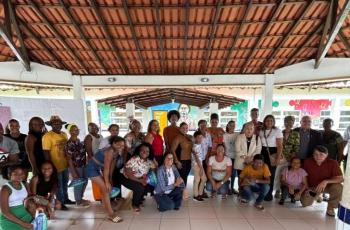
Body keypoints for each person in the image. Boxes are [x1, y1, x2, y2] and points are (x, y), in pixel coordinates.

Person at [85, 136, 125, 223]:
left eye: (122, 146)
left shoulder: (117, 152)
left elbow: (112, 166)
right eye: (119, 145)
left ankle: (106, 208)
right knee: (106, 189)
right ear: (113, 143)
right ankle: (111, 214)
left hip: (98, 169)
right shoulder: (110, 151)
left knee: (105, 189)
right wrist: (107, 182)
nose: (121, 147)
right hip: (91, 169)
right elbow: (106, 168)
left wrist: (110, 178)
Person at [301, 145, 343, 217]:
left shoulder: (333, 163)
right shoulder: (307, 162)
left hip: (328, 186)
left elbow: (341, 179)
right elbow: (303, 177)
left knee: (339, 187)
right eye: (316, 154)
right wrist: (307, 188)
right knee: (305, 203)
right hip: (313, 187)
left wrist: (326, 181)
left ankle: (330, 208)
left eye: (321, 154)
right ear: (313, 155)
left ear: (326, 155)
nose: (318, 157)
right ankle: (318, 195)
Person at [42, 116, 73, 210]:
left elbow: (67, 148)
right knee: (58, 185)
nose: (57, 125)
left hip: (64, 164)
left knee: (65, 183)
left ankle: (66, 199)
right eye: (55, 123)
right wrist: (50, 166)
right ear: (51, 125)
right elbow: (46, 152)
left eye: (59, 123)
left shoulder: (64, 134)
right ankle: (60, 203)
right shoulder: (47, 136)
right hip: (55, 165)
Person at [120, 142, 156, 212]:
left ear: (150, 152)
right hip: (125, 177)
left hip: (138, 178)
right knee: (139, 187)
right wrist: (141, 181)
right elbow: (128, 174)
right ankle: (135, 204)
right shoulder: (134, 159)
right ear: (139, 151)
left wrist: (146, 179)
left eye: (147, 151)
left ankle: (139, 200)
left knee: (147, 186)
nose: (144, 152)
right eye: (143, 150)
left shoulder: (149, 162)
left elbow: (152, 172)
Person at [0, 165, 33, 229]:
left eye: (21, 173)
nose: (20, 176)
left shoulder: (25, 184)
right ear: (9, 175)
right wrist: (23, 223)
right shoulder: (5, 189)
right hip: (10, 220)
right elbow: (4, 211)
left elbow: (30, 197)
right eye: (16, 174)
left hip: (25, 215)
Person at [274, 115, 300, 198]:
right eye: (286, 122)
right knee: (278, 174)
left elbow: (297, 146)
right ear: (284, 123)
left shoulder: (296, 134)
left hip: (290, 159)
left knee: (287, 176)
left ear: (293, 124)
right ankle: (277, 190)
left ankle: (285, 192)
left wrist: (292, 156)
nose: (288, 124)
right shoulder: (280, 132)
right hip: (281, 157)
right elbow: (277, 145)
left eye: (290, 122)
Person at [259, 115, 283, 201]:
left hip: (273, 153)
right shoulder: (261, 131)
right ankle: (262, 192)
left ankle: (268, 195)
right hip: (262, 152)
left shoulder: (277, 131)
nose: (269, 122)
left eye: (271, 121)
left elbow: (280, 146)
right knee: (262, 173)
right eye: (267, 120)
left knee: (271, 174)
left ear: (273, 122)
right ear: (264, 121)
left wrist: (278, 158)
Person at [65, 124, 90, 207]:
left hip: (83, 165)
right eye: (74, 130)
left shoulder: (79, 141)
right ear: (70, 132)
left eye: (77, 129)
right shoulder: (69, 143)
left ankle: (81, 198)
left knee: (85, 181)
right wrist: (73, 172)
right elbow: (69, 159)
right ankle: (78, 201)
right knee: (78, 183)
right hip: (75, 167)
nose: (76, 131)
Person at [223, 120, 239, 195]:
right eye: (231, 125)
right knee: (227, 174)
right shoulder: (224, 135)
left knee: (233, 174)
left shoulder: (237, 134)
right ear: (227, 126)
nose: (232, 127)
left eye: (233, 125)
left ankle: (232, 188)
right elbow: (223, 146)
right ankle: (227, 188)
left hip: (236, 157)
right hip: (228, 157)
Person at [192, 131, 207, 201]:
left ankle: (200, 194)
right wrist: (201, 168)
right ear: (195, 138)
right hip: (196, 165)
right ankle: (196, 195)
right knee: (197, 180)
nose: (200, 139)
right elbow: (197, 158)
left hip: (199, 164)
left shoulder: (199, 145)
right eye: (198, 138)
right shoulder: (195, 147)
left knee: (204, 179)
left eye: (201, 138)